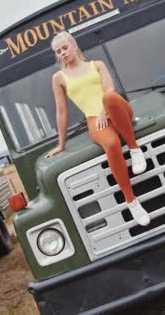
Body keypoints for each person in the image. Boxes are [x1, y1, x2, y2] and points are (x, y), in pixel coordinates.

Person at [46, 31, 151, 226]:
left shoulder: (97, 65)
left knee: (109, 98)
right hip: (94, 119)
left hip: (116, 110)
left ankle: (135, 149)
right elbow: (62, 112)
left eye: (65, 48)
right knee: (111, 144)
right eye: (58, 51)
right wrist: (61, 144)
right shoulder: (59, 78)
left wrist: (104, 111)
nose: (63, 53)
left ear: (74, 46)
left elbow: (110, 89)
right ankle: (132, 201)